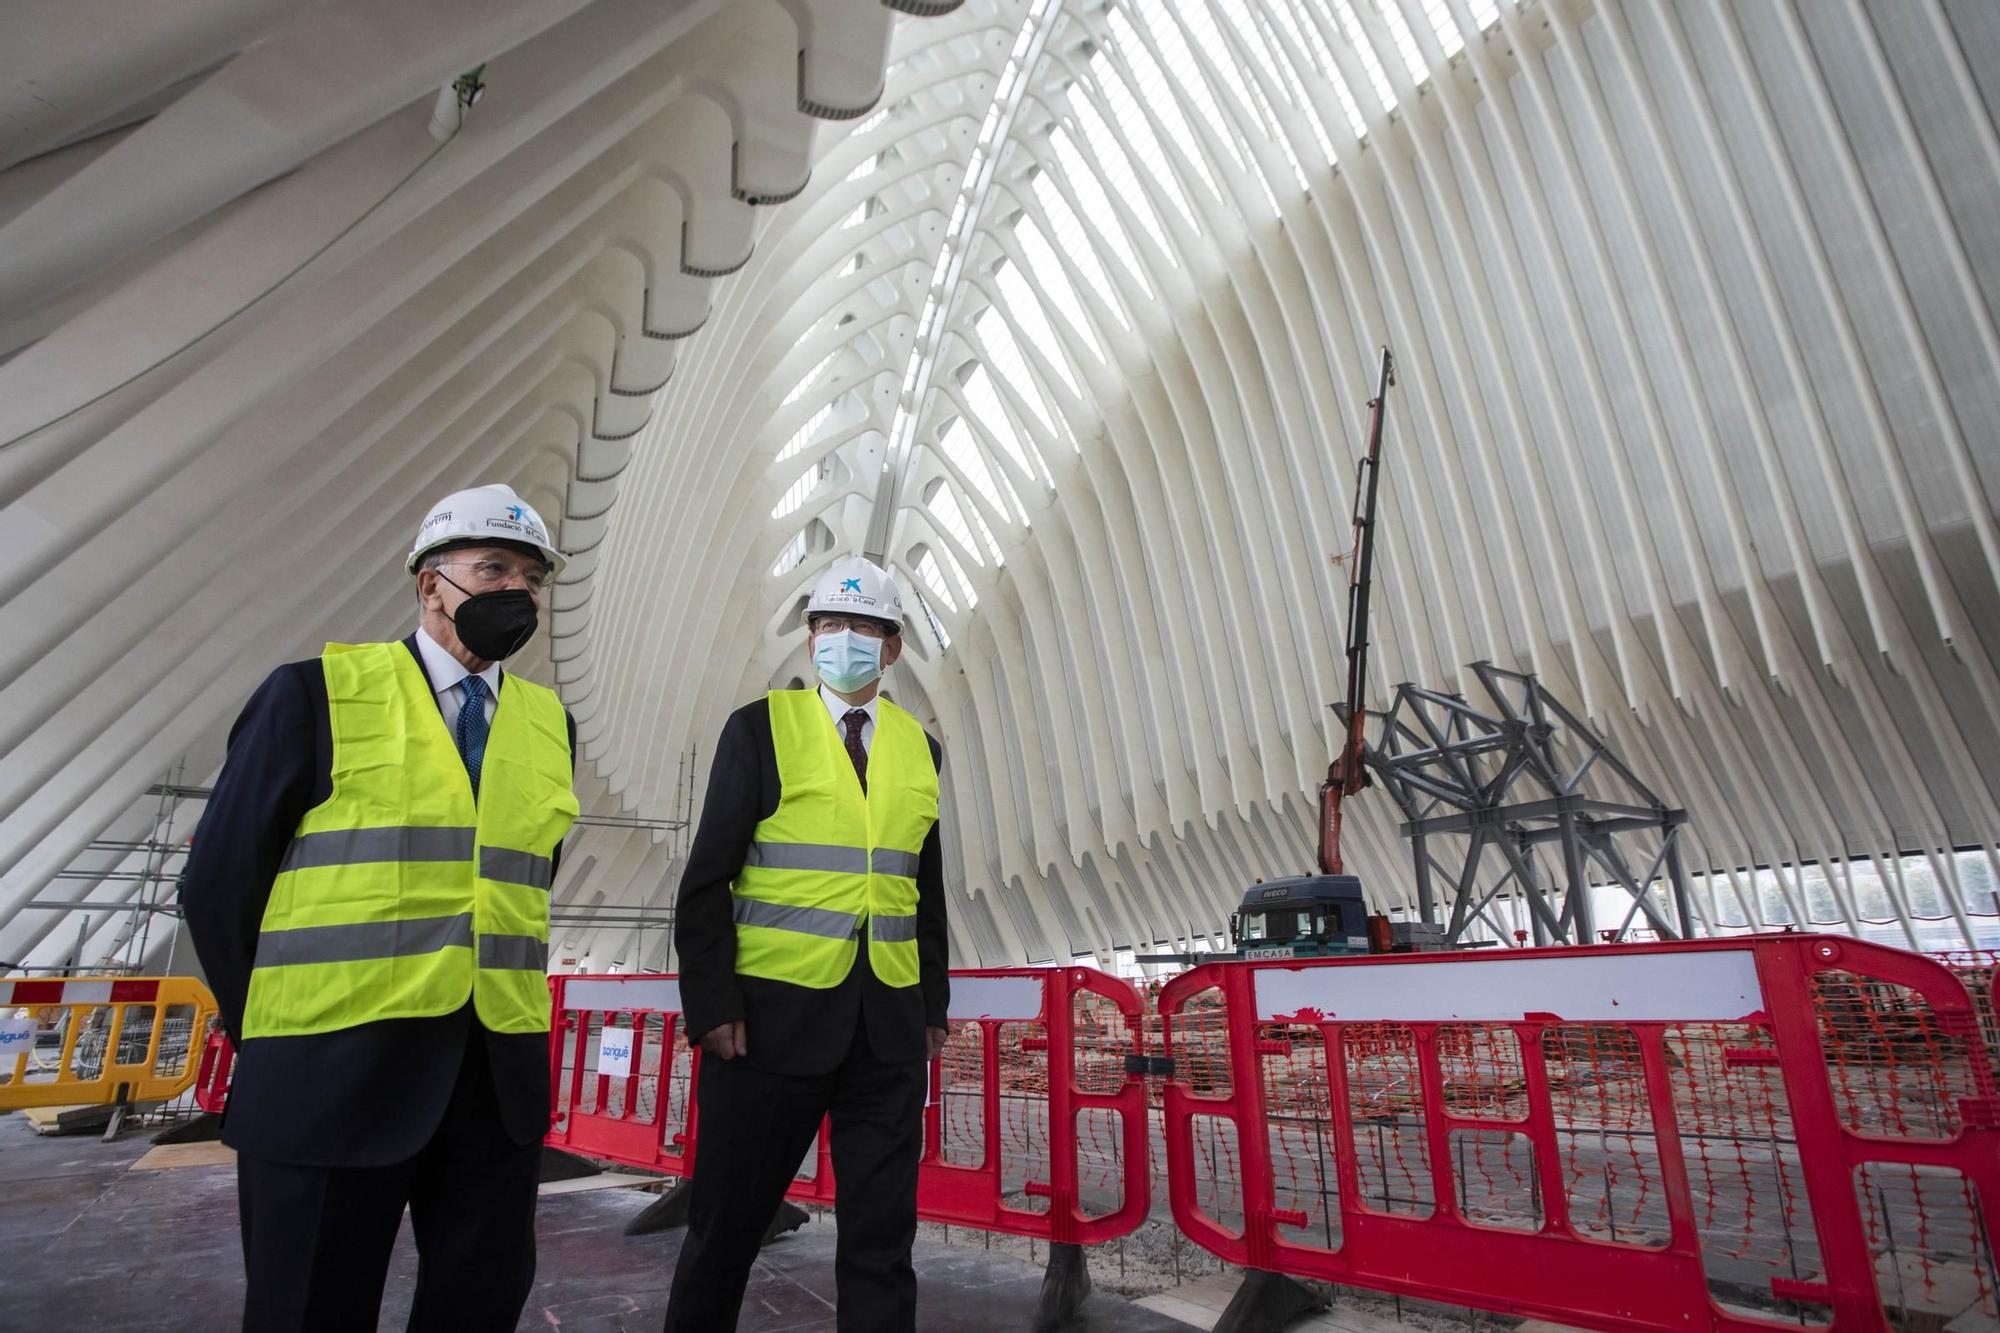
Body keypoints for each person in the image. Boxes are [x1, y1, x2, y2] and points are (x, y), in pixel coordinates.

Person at [180, 483, 580, 1332]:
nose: (518, 591)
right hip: (329, 1072)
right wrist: (273, 1029)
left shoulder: (552, 726)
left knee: (477, 1306)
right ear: (432, 583)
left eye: (532, 578)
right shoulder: (316, 696)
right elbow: (217, 882)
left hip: (492, 1083)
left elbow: (524, 881)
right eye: (494, 568)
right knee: (311, 1307)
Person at [665, 556, 950, 1333]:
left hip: (886, 1031)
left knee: (882, 1241)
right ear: (810, 637)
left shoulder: (920, 748)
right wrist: (712, 1004)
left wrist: (933, 1007)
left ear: (891, 647)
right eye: (828, 624)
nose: (841, 640)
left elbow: (922, 889)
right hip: (763, 1028)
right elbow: (705, 881)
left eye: (860, 627)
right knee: (724, 1231)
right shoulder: (759, 729)